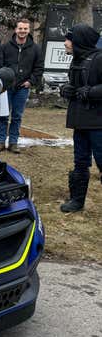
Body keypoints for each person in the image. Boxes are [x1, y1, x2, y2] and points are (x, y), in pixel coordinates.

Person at [58, 24, 102, 213]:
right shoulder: (77, 59)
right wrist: (66, 89)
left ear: (79, 41)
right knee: (80, 162)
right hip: (80, 120)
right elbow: (74, 85)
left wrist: (92, 92)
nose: (66, 43)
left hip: (98, 123)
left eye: (69, 39)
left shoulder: (100, 59)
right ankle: (77, 200)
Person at [0, 18, 44, 153]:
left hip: (23, 87)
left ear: (29, 30)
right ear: (16, 30)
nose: (22, 31)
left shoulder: (35, 49)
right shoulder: (5, 47)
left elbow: (39, 68)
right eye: (20, 28)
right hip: (6, 88)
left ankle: (13, 142)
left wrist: (31, 81)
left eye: (25, 29)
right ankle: (0, 141)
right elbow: (0, 65)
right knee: (3, 115)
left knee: (17, 116)